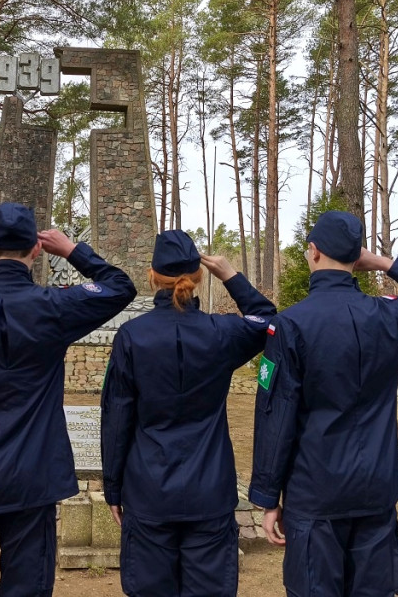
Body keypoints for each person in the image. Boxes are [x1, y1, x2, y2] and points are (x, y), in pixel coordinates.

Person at [0, 202, 137, 597]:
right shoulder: (53, 307)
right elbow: (120, 286)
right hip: (33, 474)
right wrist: (72, 250)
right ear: (37, 251)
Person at [249, 210, 398, 597]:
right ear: (356, 259)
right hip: (375, 489)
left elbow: (275, 416)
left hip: (315, 491)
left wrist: (268, 497)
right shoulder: (389, 315)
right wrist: (384, 262)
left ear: (312, 252)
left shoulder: (292, 324)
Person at [100, 230, 278, 597]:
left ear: (152, 275)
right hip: (209, 491)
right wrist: (231, 275)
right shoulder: (221, 333)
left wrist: (113, 488)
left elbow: (116, 418)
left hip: (148, 491)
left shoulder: (132, 337)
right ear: (199, 277)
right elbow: (266, 320)